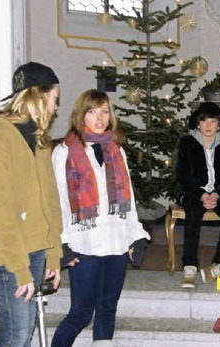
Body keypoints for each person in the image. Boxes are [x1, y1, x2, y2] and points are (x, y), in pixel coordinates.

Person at [50, 89, 151, 347]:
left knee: (108, 308)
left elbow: (127, 199)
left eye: (105, 111)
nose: (100, 117)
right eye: (93, 111)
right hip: (84, 244)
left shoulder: (116, 150)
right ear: (81, 115)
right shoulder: (64, 151)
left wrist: (136, 236)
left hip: (116, 241)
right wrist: (63, 244)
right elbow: (60, 201)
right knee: (81, 312)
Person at [0, 61, 63, 347]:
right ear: (38, 96)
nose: (55, 108)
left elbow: (49, 199)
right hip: (8, 250)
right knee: (18, 333)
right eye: (54, 99)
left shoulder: (38, 139)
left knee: (21, 330)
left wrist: (53, 253)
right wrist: (19, 269)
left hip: (35, 246)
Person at [175, 101, 220, 288]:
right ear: (197, 124)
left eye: (213, 121)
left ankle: (219, 263)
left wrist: (217, 194)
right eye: (204, 121)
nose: (209, 126)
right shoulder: (186, 143)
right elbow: (184, 176)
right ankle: (189, 265)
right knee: (193, 214)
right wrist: (202, 195)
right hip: (193, 191)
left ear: (219, 125)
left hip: (219, 192)